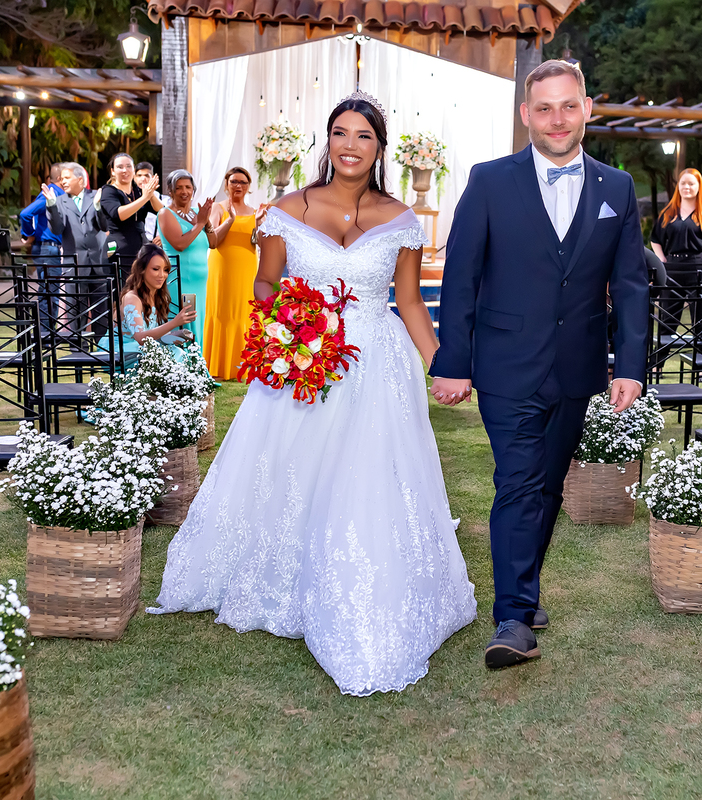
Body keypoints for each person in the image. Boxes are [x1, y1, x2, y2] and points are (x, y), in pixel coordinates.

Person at [149, 93, 477, 697]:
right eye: (341, 133)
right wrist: (290, 324)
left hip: (376, 365)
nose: (351, 145)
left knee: (369, 474)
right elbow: (265, 282)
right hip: (304, 357)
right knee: (292, 467)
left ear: (380, 148)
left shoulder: (402, 219)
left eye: (364, 136)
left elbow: (408, 301)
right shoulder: (285, 209)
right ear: (327, 141)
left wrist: (444, 365)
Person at [430, 60, 649, 669]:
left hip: (578, 365)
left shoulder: (617, 188)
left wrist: (629, 365)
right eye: (544, 108)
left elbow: (631, 284)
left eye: (568, 106)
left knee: (550, 484)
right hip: (507, 364)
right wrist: (453, 360)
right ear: (526, 114)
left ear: (587, 110)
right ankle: (513, 618)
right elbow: (461, 276)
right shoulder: (490, 181)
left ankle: (522, 586)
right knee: (520, 481)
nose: (557, 119)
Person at [650, 168, 702, 348]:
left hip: (700, 268)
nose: (687, 187)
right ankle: (658, 361)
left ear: (699, 186)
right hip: (673, 270)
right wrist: (661, 259)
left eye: (691, 183)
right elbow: (655, 239)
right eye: (683, 183)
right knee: (667, 320)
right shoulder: (668, 213)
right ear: (678, 186)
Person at [202, 167, 261, 380]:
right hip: (222, 268)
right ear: (226, 184)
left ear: (248, 186)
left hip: (246, 268)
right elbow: (213, 240)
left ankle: (242, 366)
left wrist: (260, 225)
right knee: (221, 311)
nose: (238, 185)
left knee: (244, 311)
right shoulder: (219, 208)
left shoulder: (254, 212)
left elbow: (256, 242)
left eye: (243, 182)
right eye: (234, 181)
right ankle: (217, 365)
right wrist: (231, 220)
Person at [45, 163, 107, 333]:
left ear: (80, 179)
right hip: (74, 265)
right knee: (75, 312)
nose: (63, 181)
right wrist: (51, 206)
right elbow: (57, 229)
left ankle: (102, 347)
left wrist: (98, 207)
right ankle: (78, 347)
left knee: (102, 313)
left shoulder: (96, 195)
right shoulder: (58, 201)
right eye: (61, 179)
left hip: (98, 265)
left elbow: (104, 225)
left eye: (67, 178)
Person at [156, 170, 215, 346]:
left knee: (197, 325)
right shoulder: (165, 213)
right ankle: (183, 361)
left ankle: (195, 361)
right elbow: (180, 244)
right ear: (170, 191)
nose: (184, 191)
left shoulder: (198, 213)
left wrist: (207, 222)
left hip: (199, 285)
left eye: (188, 187)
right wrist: (200, 223)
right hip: (180, 280)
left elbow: (213, 243)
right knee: (184, 327)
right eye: (179, 187)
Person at [112, 243, 196, 358]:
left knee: (177, 352)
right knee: (174, 355)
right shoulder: (132, 298)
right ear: (142, 270)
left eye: (165, 270)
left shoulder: (160, 297)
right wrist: (174, 323)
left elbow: (154, 334)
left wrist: (174, 336)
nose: (162, 275)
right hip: (123, 350)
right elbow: (140, 338)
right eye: (156, 269)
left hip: (146, 348)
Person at [98, 153, 162, 280]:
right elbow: (119, 214)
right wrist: (144, 198)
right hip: (119, 248)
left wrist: (150, 193)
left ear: (133, 170)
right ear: (113, 171)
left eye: (128, 166)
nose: (125, 170)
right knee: (122, 288)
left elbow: (162, 211)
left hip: (141, 248)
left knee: (143, 287)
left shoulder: (138, 191)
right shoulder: (109, 191)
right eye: (120, 167)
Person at [20, 163, 66, 333]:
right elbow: (25, 214)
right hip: (48, 248)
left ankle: (45, 333)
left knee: (48, 292)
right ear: (60, 178)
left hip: (48, 248)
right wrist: (28, 233)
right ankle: (46, 335)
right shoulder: (53, 192)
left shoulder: (57, 192)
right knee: (50, 293)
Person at [136, 161, 172, 243]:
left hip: (157, 245)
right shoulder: (131, 198)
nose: (143, 179)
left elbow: (173, 221)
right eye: (139, 175)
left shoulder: (165, 200)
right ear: (134, 178)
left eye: (146, 175)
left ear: (153, 178)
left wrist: (165, 236)